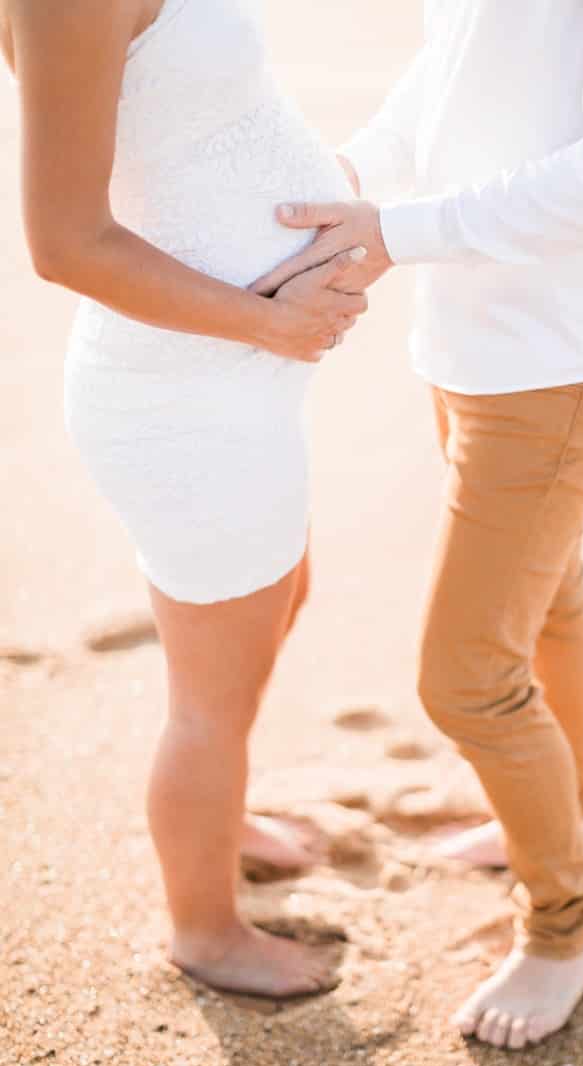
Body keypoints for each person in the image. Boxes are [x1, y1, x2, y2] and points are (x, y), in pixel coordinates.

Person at [248, 0, 583, 1049]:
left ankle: (569, 920)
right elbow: (447, 77)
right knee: (549, 599)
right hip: (474, 337)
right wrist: (354, 178)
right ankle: (554, 814)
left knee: (466, 675)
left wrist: (399, 233)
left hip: (563, 353)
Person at [3, 0, 373, 997]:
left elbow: (202, 114)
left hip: (238, 376)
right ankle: (204, 929)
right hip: (187, 394)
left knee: (280, 600)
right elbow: (67, 242)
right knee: (208, 698)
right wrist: (269, 324)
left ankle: (225, 822)